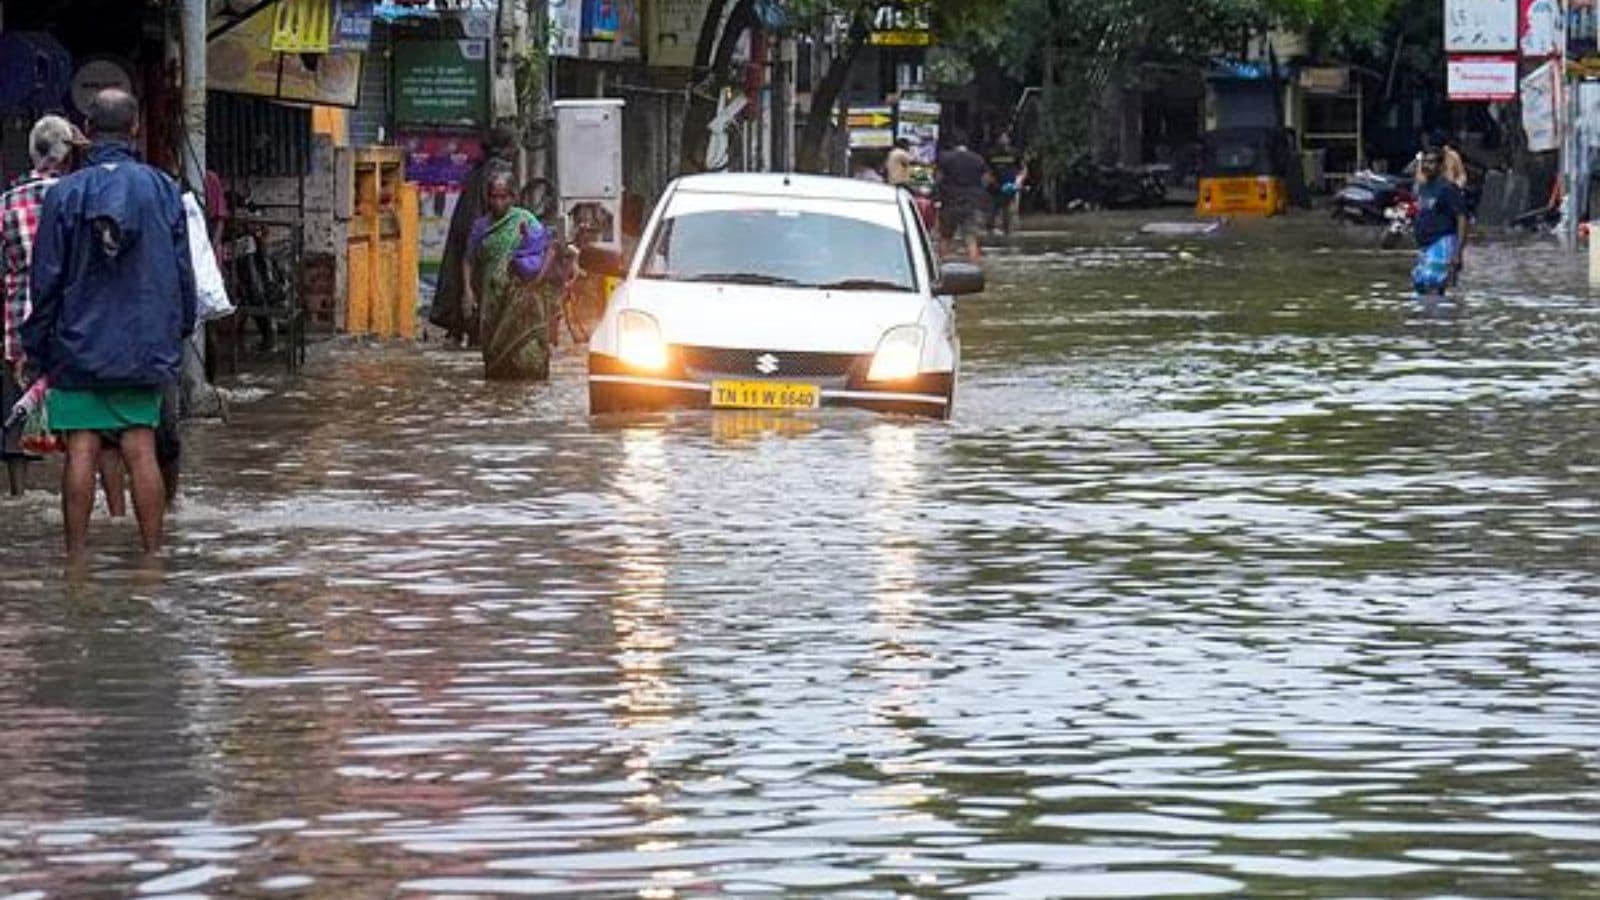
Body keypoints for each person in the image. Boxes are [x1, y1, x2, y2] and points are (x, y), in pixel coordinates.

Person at [22, 89, 195, 556]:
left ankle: (76, 562)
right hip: (143, 346)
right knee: (141, 447)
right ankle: (152, 559)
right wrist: (178, 333)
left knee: (80, 448)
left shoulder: (64, 195)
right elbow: (184, 274)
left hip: (77, 345)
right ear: (135, 127)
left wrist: (37, 350)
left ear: (87, 132)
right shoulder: (163, 188)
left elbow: (46, 283)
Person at [2, 116, 85, 496]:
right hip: (76, 324)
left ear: (33, 152)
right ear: (69, 155)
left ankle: (19, 495)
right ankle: (81, 495)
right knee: (83, 420)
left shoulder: (7, 203)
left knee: (14, 414)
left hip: (19, 323)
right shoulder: (81, 196)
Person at [465, 168, 562, 381]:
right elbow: (469, 261)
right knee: (494, 353)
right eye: (494, 197)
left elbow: (548, 249)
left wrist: (537, 281)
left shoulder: (524, 220)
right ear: (487, 197)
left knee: (526, 354)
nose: (498, 202)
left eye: (503, 197)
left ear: (513, 197)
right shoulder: (481, 227)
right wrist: (468, 293)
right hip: (492, 301)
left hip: (523, 299)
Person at [430, 126, 517, 347]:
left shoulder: (478, 168)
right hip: (481, 234)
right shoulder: (499, 170)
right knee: (481, 286)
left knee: (462, 282)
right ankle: (475, 333)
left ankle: (458, 330)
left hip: (465, 231)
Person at [1411, 149, 1469, 298]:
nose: (1427, 166)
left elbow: (1462, 218)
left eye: (1431, 162)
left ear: (1441, 166)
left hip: (1442, 243)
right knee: (1420, 285)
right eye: (1425, 162)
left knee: (1432, 283)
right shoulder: (1423, 188)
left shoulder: (1447, 189)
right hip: (1425, 245)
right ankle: (1431, 319)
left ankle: (1439, 319)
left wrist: (1457, 252)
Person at [936, 133, 990, 263]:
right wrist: (977, 190)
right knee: (971, 239)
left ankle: (939, 268)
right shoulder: (978, 159)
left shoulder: (945, 158)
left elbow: (938, 178)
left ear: (953, 144)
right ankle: (975, 268)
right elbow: (986, 180)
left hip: (949, 202)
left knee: (945, 238)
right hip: (971, 204)